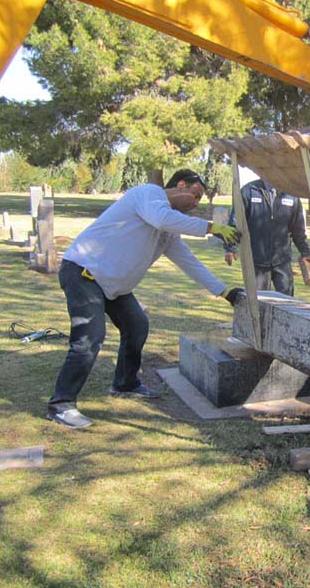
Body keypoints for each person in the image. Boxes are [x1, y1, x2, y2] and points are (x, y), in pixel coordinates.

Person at [47, 169, 243, 429]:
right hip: (84, 273)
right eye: (194, 196)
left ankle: (125, 383)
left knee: (137, 325)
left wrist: (223, 290)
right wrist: (211, 228)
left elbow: (188, 262)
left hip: (113, 284)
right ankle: (61, 405)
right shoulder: (147, 194)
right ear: (180, 185)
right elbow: (161, 218)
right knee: (89, 339)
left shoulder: (168, 232)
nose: (195, 204)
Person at [224, 177, 310, 296]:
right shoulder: (249, 191)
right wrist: (230, 248)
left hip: (282, 261)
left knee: (287, 302)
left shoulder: (292, 194)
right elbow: (235, 222)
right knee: (259, 302)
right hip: (256, 260)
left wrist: (305, 253)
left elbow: (298, 230)